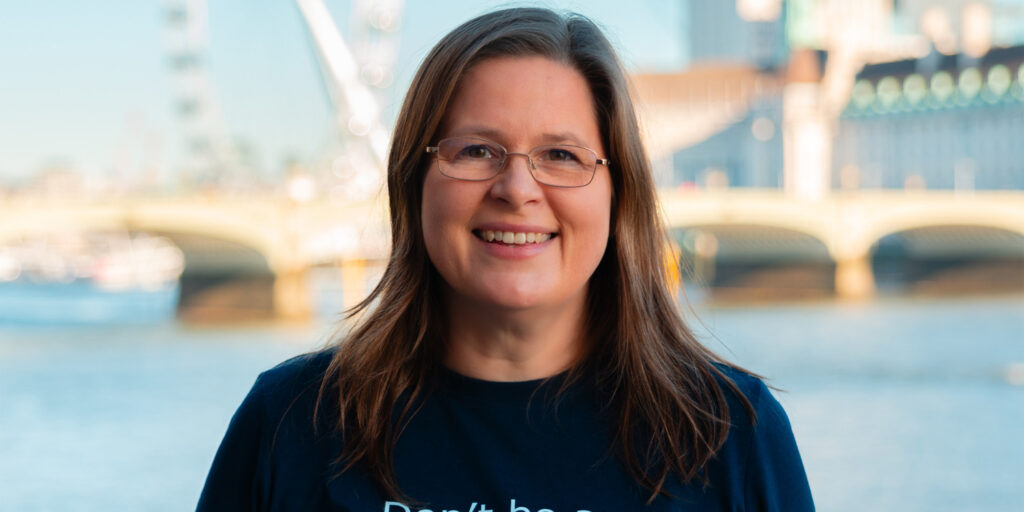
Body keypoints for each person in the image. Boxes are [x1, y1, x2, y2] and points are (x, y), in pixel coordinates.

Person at [197, 7, 814, 511]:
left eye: (562, 156)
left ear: (618, 195)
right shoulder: (290, 424)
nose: (517, 189)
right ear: (413, 183)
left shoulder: (732, 434)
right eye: (476, 151)